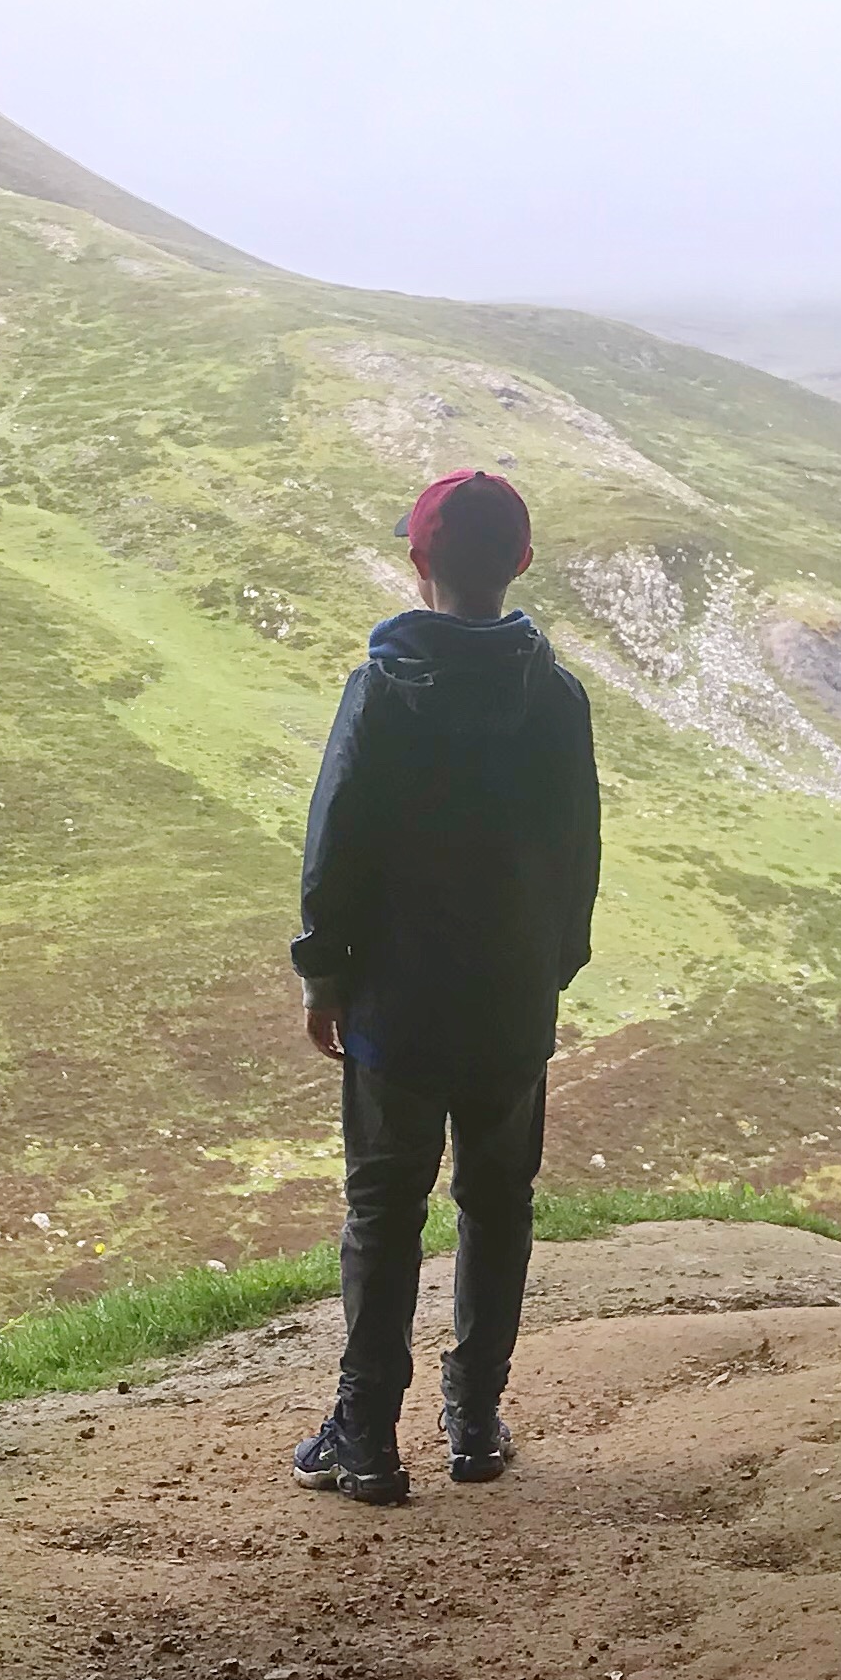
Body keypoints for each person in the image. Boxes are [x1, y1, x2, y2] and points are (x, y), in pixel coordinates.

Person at [288, 466, 602, 1502]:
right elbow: (577, 856)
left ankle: (367, 1438)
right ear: (518, 561)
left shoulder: (382, 688)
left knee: (384, 1210)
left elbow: (338, 841)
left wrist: (325, 972)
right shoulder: (555, 695)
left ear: (417, 559)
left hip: (396, 1007)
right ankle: (474, 1422)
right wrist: (545, 973)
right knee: (498, 1204)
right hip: (511, 1005)